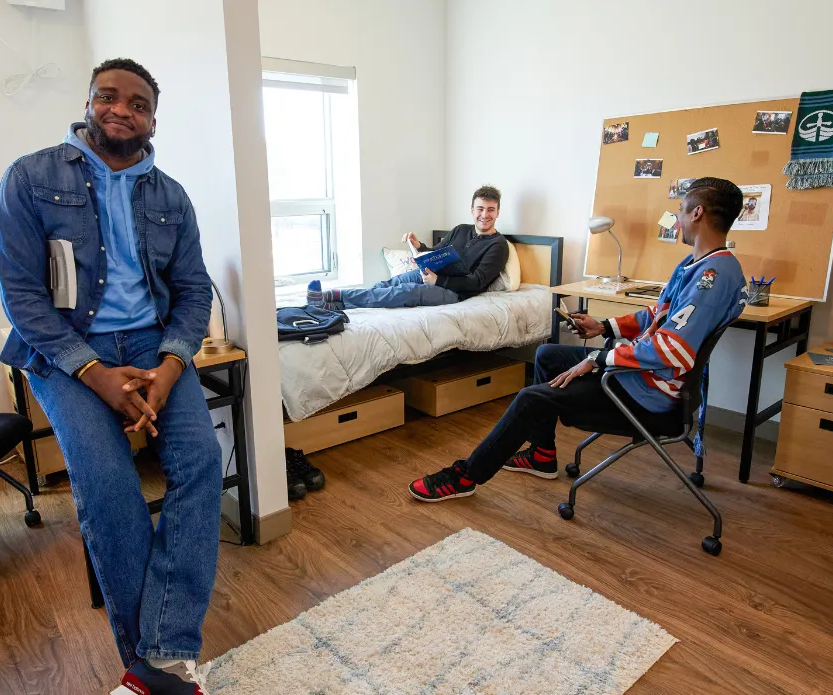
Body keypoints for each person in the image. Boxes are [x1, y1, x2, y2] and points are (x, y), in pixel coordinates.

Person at [0, 58, 220, 695]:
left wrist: (171, 367)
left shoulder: (170, 195)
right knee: (111, 490)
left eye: (138, 102)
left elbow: (193, 290)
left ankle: (159, 658)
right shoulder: (31, 178)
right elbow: (22, 296)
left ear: (154, 116)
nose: (122, 109)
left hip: (155, 349)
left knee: (202, 466)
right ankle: (153, 664)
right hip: (67, 353)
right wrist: (94, 373)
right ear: (89, 104)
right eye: (108, 97)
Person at [408, 177, 748, 502]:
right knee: (547, 354)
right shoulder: (695, 264)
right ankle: (542, 454)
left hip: (647, 393)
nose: (679, 219)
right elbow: (655, 314)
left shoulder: (713, 276)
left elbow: (671, 348)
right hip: (639, 375)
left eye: (682, 209)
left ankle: (466, 476)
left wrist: (599, 358)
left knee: (530, 398)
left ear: (698, 213)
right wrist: (604, 327)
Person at [306, 186, 510, 310]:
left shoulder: (498, 245)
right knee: (387, 285)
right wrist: (419, 246)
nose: (485, 215)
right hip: (432, 275)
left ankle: (334, 296)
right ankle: (331, 307)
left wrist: (439, 280)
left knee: (404, 292)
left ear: (498, 212)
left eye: (491, 210)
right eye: (481, 209)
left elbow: (477, 282)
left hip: (455, 293)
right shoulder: (460, 230)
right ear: (472, 210)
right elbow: (436, 251)